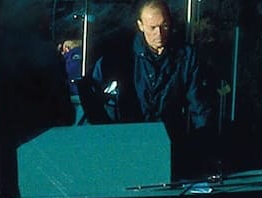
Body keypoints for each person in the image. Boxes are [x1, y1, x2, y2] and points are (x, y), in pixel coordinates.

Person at [80, 0, 213, 137]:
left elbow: (199, 105)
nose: (159, 33)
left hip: (166, 139)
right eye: (153, 27)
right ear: (141, 26)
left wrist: (202, 142)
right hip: (125, 138)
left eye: (164, 26)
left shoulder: (186, 57)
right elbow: (88, 89)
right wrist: (103, 128)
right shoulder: (119, 56)